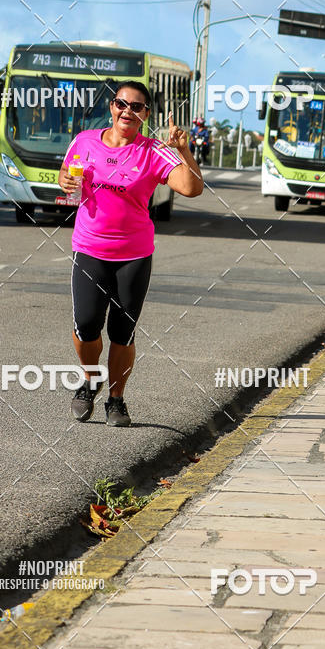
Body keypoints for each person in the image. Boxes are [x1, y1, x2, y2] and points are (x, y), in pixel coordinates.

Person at [58, 81, 203, 427]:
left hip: (134, 255)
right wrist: (64, 181)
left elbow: (191, 188)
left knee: (122, 332)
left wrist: (184, 150)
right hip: (90, 248)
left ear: (146, 115)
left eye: (136, 107)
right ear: (112, 107)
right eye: (122, 104)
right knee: (87, 326)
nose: (128, 111)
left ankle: (116, 399)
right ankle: (90, 379)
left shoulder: (154, 150)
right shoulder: (85, 140)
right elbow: (67, 173)